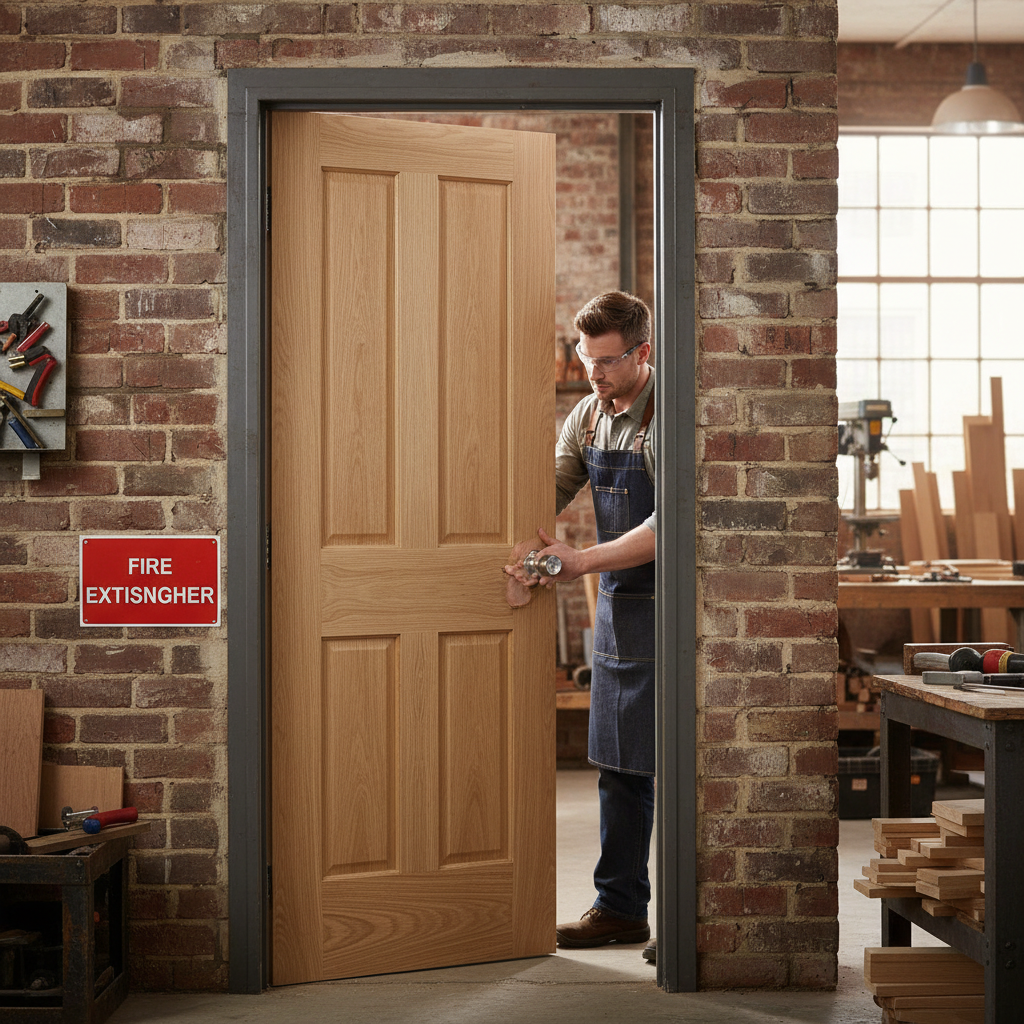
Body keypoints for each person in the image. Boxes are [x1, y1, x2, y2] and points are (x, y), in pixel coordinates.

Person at [504, 290, 658, 963]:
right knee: (619, 767)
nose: (593, 372)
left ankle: (689, 915)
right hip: (621, 610)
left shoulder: (669, 417)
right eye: (584, 358)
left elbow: (670, 525)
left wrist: (580, 561)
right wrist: (511, 544)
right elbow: (549, 489)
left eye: (607, 361)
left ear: (642, 354)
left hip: (675, 608)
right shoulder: (588, 418)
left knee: (680, 765)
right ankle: (620, 909)